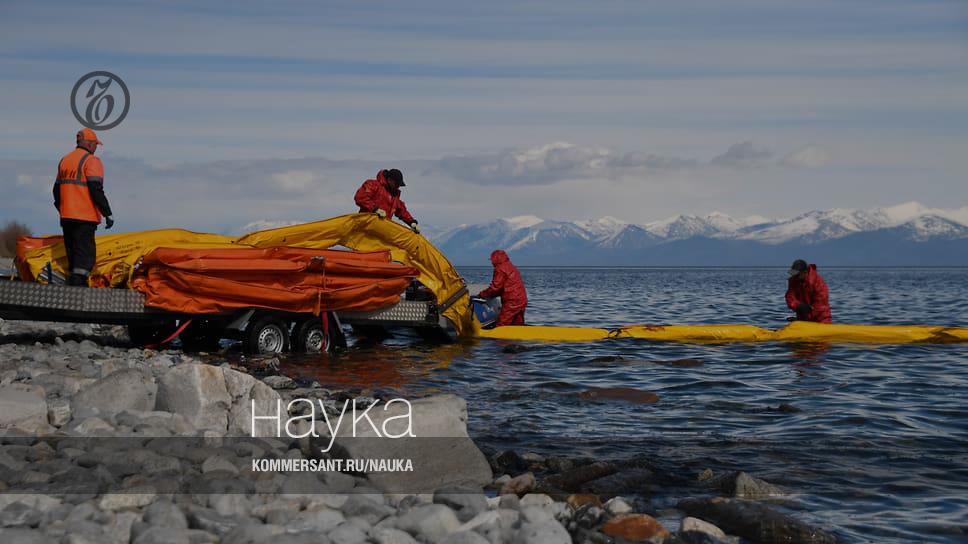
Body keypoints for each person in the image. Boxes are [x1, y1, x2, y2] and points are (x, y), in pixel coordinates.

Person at [53, 128, 114, 287]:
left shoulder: (65, 160)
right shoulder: (91, 161)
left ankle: (73, 287)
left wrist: (62, 209)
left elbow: (56, 190)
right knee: (85, 257)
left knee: (73, 255)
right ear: (89, 143)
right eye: (95, 145)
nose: (95, 148)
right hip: (84, 217)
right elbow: (96, 189)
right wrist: (107, 213)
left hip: (66, 217)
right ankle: (78, 288)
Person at [354, 169, 420, 233]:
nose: (398, 187)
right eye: (396, 184)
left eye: (399, 185)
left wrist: (411, 222)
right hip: (365, 227)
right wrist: (375, 209)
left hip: (380, 231)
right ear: (389, 180)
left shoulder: (394, 197)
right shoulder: (373, 185)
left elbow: (402, 211)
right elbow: (360, 198)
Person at [478, 250, 528, 326]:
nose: (491, 263)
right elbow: (503, 287)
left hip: (512, 301)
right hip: (521, 299)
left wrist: (482, 294)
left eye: (492, 260)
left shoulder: (500, 268)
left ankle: (497, 334)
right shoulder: (511, 266)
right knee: (517, 324)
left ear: (495, 259)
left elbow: (495, 287)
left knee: (502, 324)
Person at [785, 259, 831, 323]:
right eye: (793, 274)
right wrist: (798, 306)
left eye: (797, 275)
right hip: (803, 320)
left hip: (821, 319)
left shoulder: (817, 282)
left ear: (805, 272)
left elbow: (821, 305)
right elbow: (790, 297)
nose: (795, 277)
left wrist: (806, 316)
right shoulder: (793, 281)